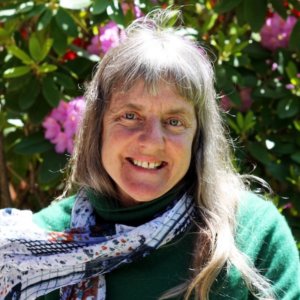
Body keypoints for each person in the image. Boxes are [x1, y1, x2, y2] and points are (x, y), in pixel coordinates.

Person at [0, 9, 299, 300]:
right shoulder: (29, 254)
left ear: (198, 138)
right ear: (98, 127)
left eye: (174, 121)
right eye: (130, 116)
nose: (152, 142)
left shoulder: (254, 235)